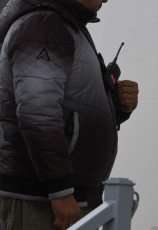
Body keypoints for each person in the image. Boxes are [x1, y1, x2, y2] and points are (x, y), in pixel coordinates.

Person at [0, 0, 139, 229]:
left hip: (62, 199)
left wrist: (120, 107)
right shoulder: (44, 26)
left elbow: (74, 113)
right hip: (45, 202)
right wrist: (60, 191)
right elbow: (38, 114)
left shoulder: (65, 26)